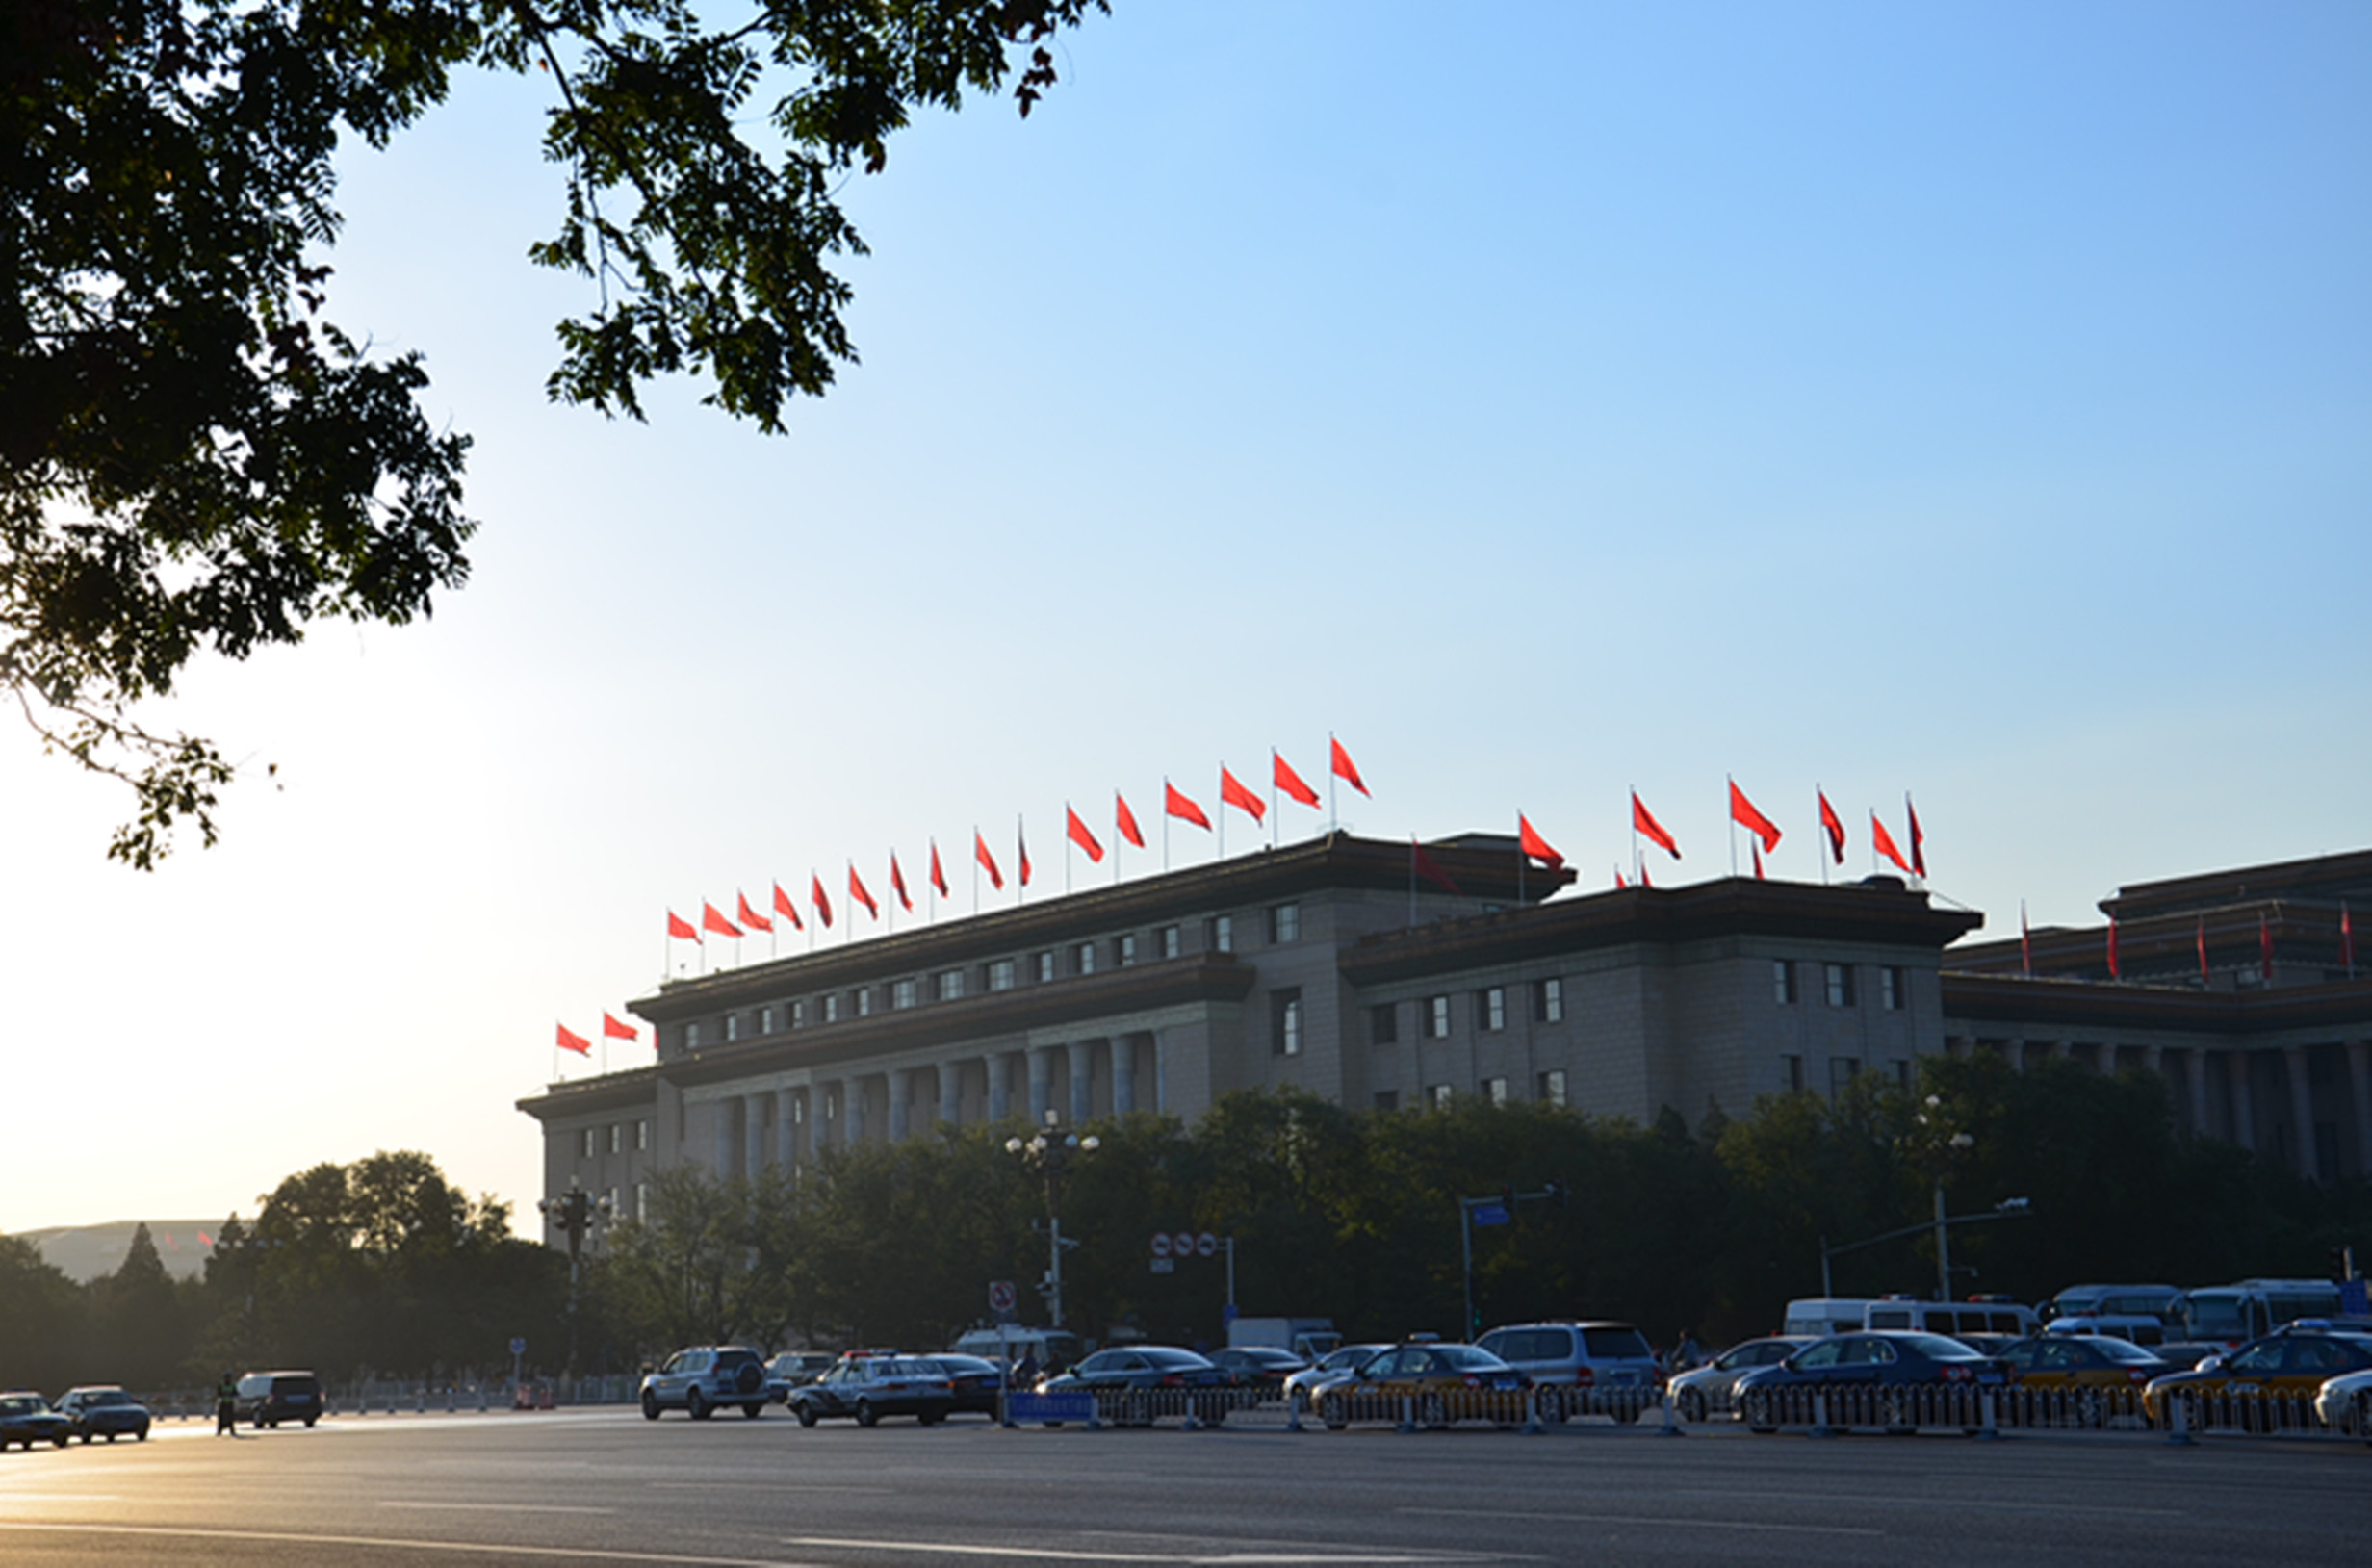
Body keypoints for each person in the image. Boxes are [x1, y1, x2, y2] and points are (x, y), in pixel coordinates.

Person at [215, 1371, 239, 1436]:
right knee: (221, 1417)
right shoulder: (221, 1385)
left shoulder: (232, 1385)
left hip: (230, 1403)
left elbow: (236, 1393)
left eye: (230, 1378)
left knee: (230, 1417)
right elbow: (218, 1394)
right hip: (223, 1403)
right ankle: (219, 1431)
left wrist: (232, 1395)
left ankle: (232, 1431)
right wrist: (223, 1394)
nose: (229, 1379)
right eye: (227, 1378)